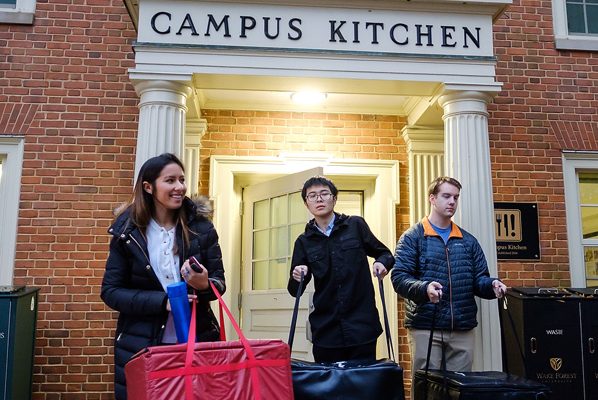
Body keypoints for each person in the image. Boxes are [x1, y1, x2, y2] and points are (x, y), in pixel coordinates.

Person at [101, 153, 225, 400]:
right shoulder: (128, 233)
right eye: (170, 181)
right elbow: (111, 291)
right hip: (142, 343)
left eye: (181, 179)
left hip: (197, 339)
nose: (179, 187)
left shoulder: (201, 228)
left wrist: (203, 285)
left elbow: (219, 284)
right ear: (148, 187)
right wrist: (162, 301)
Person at [391, 176, 507, 373]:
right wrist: (424, 288)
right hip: (426, 327)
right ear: (432, 198)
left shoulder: (468, 240)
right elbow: (399, 278)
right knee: (426, 389)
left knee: (460, 389)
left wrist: (492, 285)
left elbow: (479, 279)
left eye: (456, 197)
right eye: (446, 196)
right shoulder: (413, 237)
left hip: (461, 327)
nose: (452, 202)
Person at [287, 176, 394, 363]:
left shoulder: (355, 225)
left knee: (363, 386)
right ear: (306, 204)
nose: (319, 199)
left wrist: (381, 263)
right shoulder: (303, 241)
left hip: (362, 325)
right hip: (326, 330)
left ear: (334, 199)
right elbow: (294, 291)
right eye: (312, 196)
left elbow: (385, 254)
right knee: (329, 388)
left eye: (324, 194)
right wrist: (298, 276)